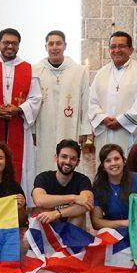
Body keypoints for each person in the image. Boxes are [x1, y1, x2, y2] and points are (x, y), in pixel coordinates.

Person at [0, 28, 42, 197]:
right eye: (6, 43)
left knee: (20, 165)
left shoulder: (28, 69)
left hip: (19, 126)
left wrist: (19, 109)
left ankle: (19, 205)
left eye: (14, 43)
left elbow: (36, 98)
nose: (9, 46)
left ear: (18, 45)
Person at [32, 30, 91, 177]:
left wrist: (85, 129)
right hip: (43, 127)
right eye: (51, 44)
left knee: (70, 158)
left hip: (70, 127)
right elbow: (32, 102)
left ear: (65, 45)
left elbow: (86, 101)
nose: (54, 47)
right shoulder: (36, 71)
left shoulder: (79, 71)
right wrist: (32, 130)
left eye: (58, 43)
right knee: (44, 161)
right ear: (46, 47)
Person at [87, 31, 137, 152]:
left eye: (121, 46)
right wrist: (103, 118)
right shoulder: (101, 73)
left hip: (129, 133)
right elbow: (92, 102)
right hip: (105, 132)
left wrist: (121, 121)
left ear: (131, 50)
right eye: (113, 47)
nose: (116, 50)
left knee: (129, 167)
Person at [31, 139, 95, 227]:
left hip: (72, 226)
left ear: (77, 162)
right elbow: (39, 200)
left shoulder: (83, 180)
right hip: (50, 228)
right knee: (43, 210)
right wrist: (74, 198)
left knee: (79, 215)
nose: (68, 162)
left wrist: (57, 213)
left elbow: (87, 204)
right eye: (64, 157)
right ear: (56, 158)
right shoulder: (43, 177)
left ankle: (71, 240)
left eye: (73, 159)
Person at [90, 143, 137, 230]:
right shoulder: (98, 185)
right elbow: (96, 222)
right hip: (112, 233)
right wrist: (125, 223)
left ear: (124, 161)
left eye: (117, 159)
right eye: (108, 161)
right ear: (103, 166)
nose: (113, 163)